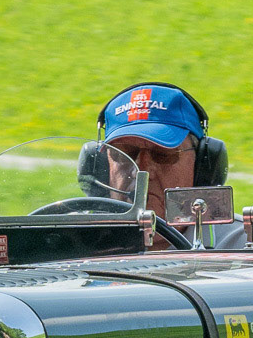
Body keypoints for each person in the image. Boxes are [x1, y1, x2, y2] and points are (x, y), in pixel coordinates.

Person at [95, 82, 244, 249]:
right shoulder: (75, 242)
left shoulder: (242, 245)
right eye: (124, 154)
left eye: (163, 155)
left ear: (202, 167)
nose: (142, 171)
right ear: (102, 168)